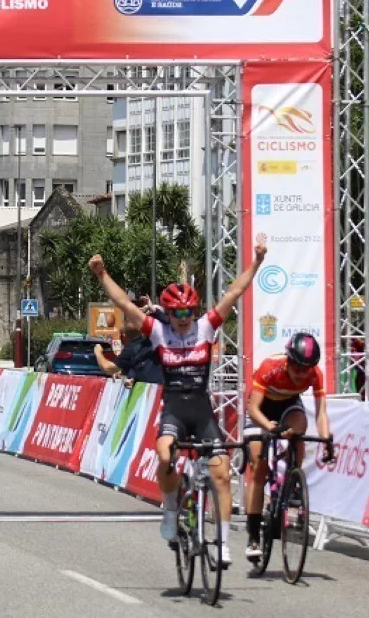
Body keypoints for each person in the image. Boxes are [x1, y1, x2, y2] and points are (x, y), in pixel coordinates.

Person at [89, 234, 267, 566]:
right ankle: (170, 510)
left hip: (201, 410)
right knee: (164, 453)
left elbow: (235, 292)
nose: (183, 317)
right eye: (176, 312)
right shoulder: (158, 332)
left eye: (188, 310)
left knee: (222, 473)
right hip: (173, 407)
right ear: (167, 313)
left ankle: (224, 543)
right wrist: (102, 275)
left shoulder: (205, 327)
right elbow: (125, 306)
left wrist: (256, 262)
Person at [243, 332, 334, 562]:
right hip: (261, 409)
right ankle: (253, 535)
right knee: (258, 467)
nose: (303, 374)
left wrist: (326, 440)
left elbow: (321, 413)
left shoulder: (315, 375)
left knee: (300, 427)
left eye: (308, 368)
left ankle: (293, 477)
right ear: (288, 361)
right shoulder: (270, 367)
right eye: (298, 368)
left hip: (288, 405)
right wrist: (268, 427)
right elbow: (253, 410)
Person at [93, 296, 164, 386]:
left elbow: (108, 368)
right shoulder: (139, 347)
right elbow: (137, 369)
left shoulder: (167, 343)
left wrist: (98, 352)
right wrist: (127, 375)